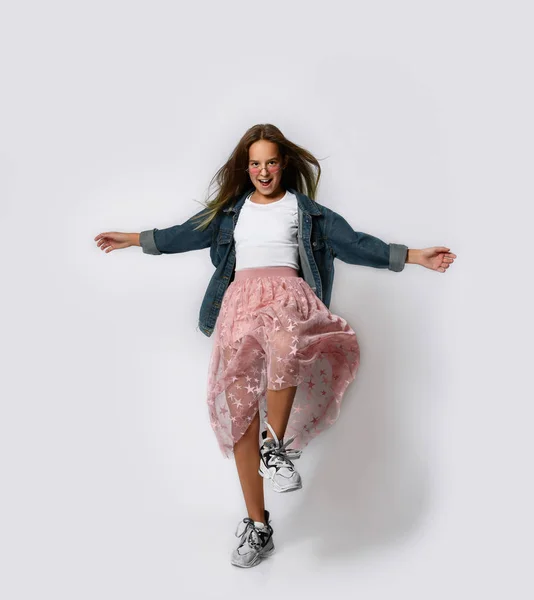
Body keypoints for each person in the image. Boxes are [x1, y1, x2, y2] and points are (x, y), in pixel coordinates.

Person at [94, 123, 456, 569]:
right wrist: (131, 239)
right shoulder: (231, 213)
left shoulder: (309, 213)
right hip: (238, 308)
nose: (263, 171)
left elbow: (354, 243)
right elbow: (181, 235)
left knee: (287, 345)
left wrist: (415, 255)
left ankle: (275, 447)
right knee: (240, 412)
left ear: (283, 165)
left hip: (288, 298)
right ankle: (258, 525)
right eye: (255, 164)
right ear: (246, 169)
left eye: (270, 162)